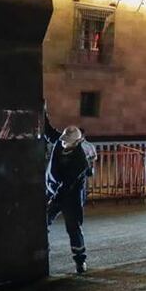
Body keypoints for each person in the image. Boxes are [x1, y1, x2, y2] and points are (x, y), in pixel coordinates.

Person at [43, 105, 95, 274]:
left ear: (77, 143)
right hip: (53, 190)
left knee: (73, 227)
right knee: (42, 222)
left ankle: (80, 260)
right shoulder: (61, 141)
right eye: (63, 142)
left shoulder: (80, 161)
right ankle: (42, 252)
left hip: (71, 196)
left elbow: (67, 185)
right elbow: (48, 131)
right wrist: (42, 110)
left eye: (68, 143)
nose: (64, 145)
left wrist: (52, 200)